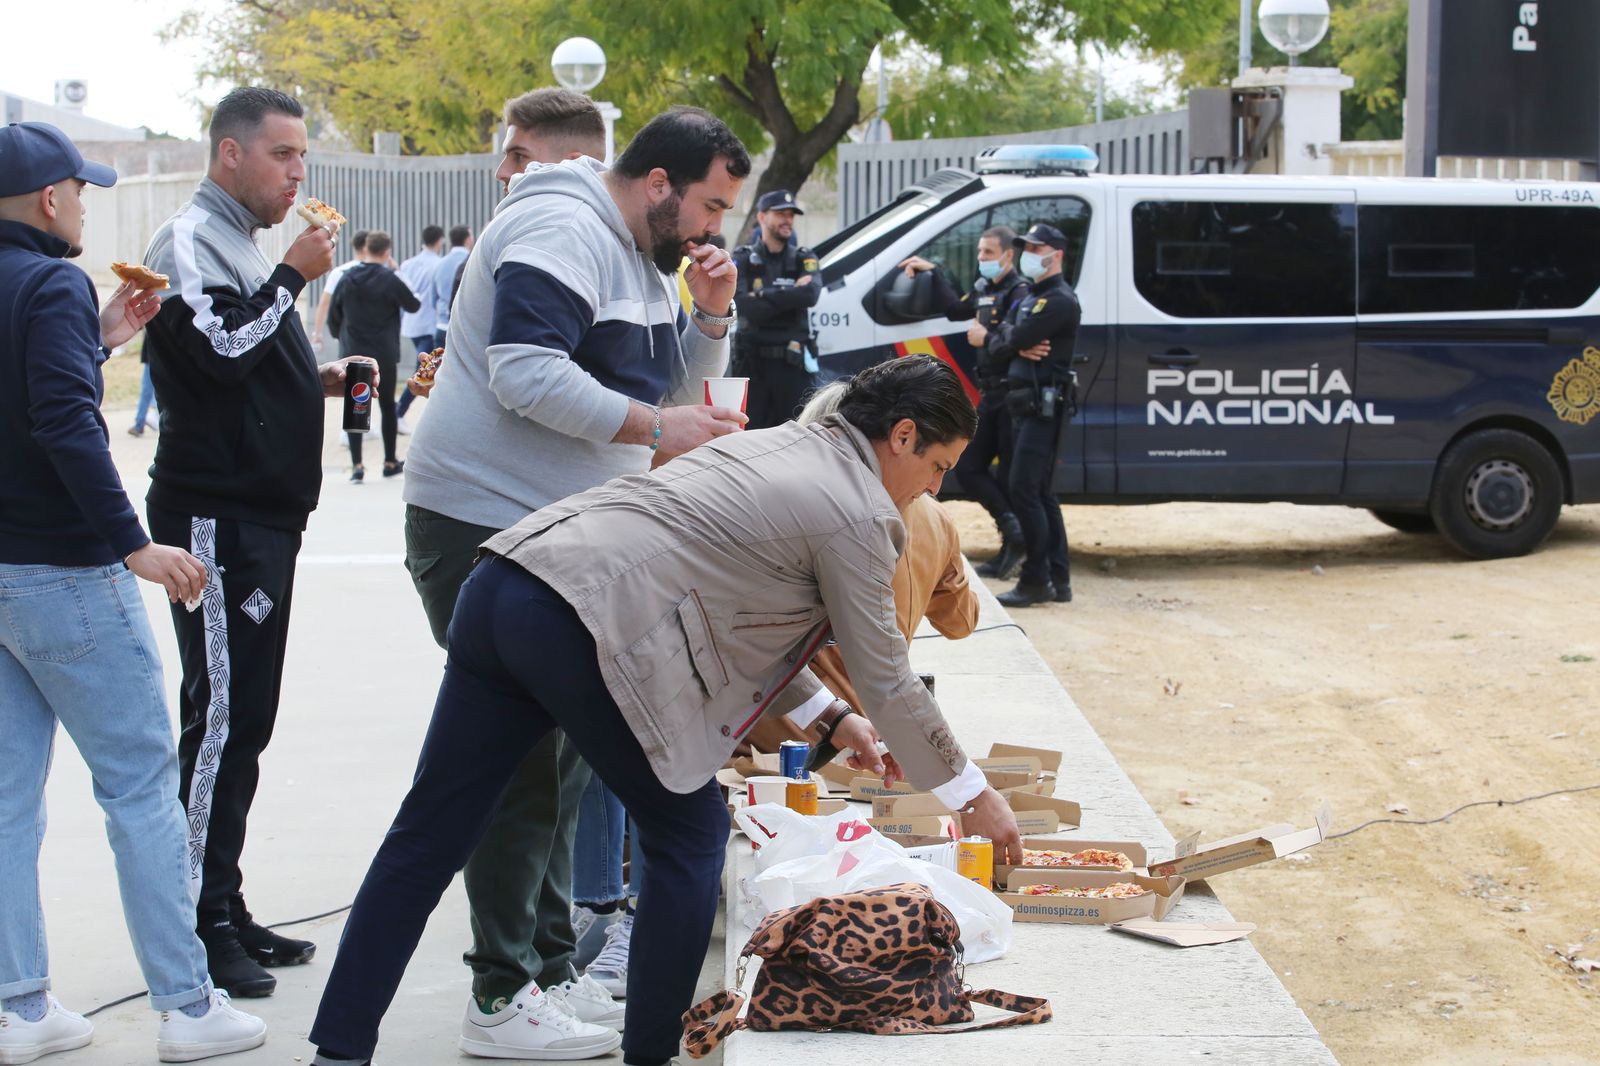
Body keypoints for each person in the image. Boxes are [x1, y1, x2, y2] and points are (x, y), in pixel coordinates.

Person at [308, 355, 1022, 1066]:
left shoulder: (771, 444)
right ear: (901, 436)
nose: (936, 486)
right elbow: (890, 679)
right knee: (688, 836)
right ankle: (650, 1054)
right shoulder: (860, 512)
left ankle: (337, 1050)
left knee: (427, 836)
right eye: (939, 465)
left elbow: (738, 613)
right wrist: (973, 794)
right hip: (579, 622)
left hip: (503, 583)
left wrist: (831, 718)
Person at [402, 99, 748, 1056]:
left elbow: (666, 397)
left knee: (559, 760)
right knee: (518, 764)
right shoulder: (562, 226)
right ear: (656, 184)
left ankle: (548, 969)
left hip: (560, 536)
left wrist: (711, 317)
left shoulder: (643, 256)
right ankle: (499, 995)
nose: (717, 227)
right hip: (483, 527)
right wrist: (655, 433)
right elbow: (523, 372)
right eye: (712, 206)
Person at [0, 119, 267, 1063]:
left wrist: (98, 338)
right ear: (48, 201)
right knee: (143, 791)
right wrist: (135, 547)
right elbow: (66, 424)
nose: (83, 205)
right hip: (67, 572)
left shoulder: (50, 297)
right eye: (79, 191)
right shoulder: (49, 282)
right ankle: (188, 1008)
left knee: (6, 800)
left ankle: (19, 1007)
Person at [139, 87, 378, 999]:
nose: (298, 174)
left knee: (247, 720)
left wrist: (316, 378)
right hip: (214, 515)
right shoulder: (190, 240)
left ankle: (223, 899)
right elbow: (217, 351)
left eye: (302, 156)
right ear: (230, 154)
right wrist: (294, 278)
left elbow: (241, 368)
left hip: (264, 516)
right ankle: (195, 924)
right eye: (283, 155)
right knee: (220, 724)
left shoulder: (239, 244)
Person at [898, 225, 1033, 579]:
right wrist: (935, 272)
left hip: (1014, 395)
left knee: (1010, 475)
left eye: (988, 253)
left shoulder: (1020, 292)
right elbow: (956, 311)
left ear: (1008, 255)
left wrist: (986, 338)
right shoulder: (984, 288)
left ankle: (1017, 543)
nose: (981, 259)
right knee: (970, 466)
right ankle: (1013, 530)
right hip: (990, 393)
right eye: (979, 253)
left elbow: (1017, 337)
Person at [986, 223, 1080, 607]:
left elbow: (1008, 339)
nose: (1029, 254)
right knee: (1040, 493)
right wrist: (1011, 339)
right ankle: (1059, 578)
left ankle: (1037, 579)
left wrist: (1009, 340)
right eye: (1027, 247)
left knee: (1024, 489)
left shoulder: (1058, 300)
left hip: (1043, 408)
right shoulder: (1032, 298)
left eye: (1036, 248)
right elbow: (1008, 335)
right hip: (1025, 406)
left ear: (1055, 254)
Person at [328, 229, 421, 481]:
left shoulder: (347, 278)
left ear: (366, 249)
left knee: (355, 404)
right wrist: (396, 270)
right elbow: (414, 304)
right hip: (383, 353)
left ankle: (357, 466)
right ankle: (389, 461)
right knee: (387, 405)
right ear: (387, 252)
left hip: (353, 351)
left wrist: (343, 338)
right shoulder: (390, 279)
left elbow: (332, 318)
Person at [730, 189, 820, 428]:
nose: (788, 220)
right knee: (747, 442)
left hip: (792, 369)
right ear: (761, 217)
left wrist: (763, 294)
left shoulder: (804, 258)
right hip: (752, 367)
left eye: (791, 215)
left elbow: (810, 295)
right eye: (780, 214)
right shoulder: (744, 258)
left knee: (797, 440)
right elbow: (744, 305)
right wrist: (790, 295)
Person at [394, 224, 444, 432]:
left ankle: (398, 413)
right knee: (423, 372)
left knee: (421, 369)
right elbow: (434, 298)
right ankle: (398, 412)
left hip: (411, 324)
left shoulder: (407, 264)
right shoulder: (438, 265)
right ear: (440, 241)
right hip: (428, 323)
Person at [309, 228, 369, 352]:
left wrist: (317, 333)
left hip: (347, 336)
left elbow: (324, 303)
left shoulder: (339, 272)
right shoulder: (383, 272)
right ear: (367, 247)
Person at [430, 225, 471, 349]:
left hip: (442, 326)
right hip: (464, 330)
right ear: (468, 240)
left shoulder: (439, 264)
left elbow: (433, 299)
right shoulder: (472, 262)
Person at [129, 344, 159, 436]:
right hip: (153, 356)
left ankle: (140, 423)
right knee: (147, 391)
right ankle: (140, 423)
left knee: (147, 391)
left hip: (157, 356)